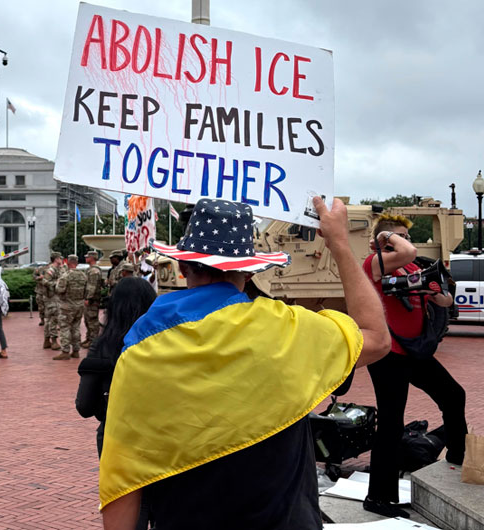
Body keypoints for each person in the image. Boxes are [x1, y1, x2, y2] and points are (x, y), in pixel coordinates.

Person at [99, 198, 391, 530]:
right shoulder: (288, 330)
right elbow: (377, 338)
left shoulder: (140, 349)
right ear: (250, 269)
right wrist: (339, 242)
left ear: (183, 268)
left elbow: (124, 477)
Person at [362, 214, 466, 518]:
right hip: (388, 353)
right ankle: (379, 497)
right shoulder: (373, 263)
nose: (405, 242)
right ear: (383, 240)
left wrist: (438, 295)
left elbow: (446, 301)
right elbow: (401, 251)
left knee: (453, 394)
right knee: (392, 423)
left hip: (415, 351)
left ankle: (457, 459)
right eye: (397, 236)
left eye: (407, 237)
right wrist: (385, 241)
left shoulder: (416, 266)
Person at [76, 276, 156, 455]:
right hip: (159, 434)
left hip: (115, 434)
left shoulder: (103, 347)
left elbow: (84, 405)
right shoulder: (167, 341)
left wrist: (106, 410)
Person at [54, 255, 87, 360]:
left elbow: (60, 290)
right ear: (76, 263)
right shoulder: (83, 275)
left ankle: (65, 351)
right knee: (76, 327)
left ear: (68, 263)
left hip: (67, 306)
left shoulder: (65, 276)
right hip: (79, 305)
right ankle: (76, 350)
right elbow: (87, 291)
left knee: (65, 328)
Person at [42, 251, 64, 351]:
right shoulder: (51, 270)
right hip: (51, 297)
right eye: (60, 258)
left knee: (49, 319)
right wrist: (57, 284)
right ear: (56, 259)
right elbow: (45, 281)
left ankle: (47, 340)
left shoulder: (59, 269)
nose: (61, 260)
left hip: (56, 297)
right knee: (54, 319)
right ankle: (54, 341)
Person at [82, 251, 103, 348]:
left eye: (88, 257)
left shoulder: (94, 271)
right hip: (89, 298)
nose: (86, 258)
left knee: (92, 320)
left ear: (92, 258)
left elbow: (92, 286)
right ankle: (89, 338)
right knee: (87, 319)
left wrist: (88, 298)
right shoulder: (90, 270)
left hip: (93, 300)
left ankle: (94, 341)